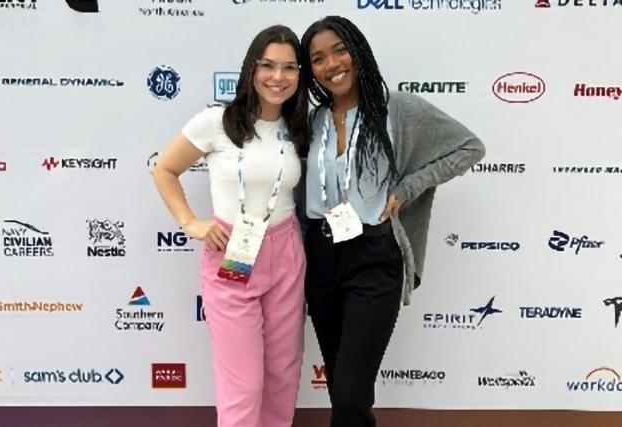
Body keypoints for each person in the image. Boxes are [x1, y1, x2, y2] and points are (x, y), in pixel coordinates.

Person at [299, 16, 486, 427]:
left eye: (339, 50)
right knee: (341, 389)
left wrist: (407, 189)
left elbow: (469, 147)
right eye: (317, 58)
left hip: (374, 257)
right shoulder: (312, 122)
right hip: (321, 256)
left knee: (349, 393)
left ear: (358, 50)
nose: (331, 64)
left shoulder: (398, 108)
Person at [152, 25, 309, 427]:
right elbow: (165, 170)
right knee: (244, 384)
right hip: (233, 249)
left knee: (282, 376)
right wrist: (190, 222)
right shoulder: (216, 122)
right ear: (251, 68)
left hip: (286, 251)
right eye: (268, 65)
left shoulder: (301, 128)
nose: (278, 77)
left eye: (289, 68)